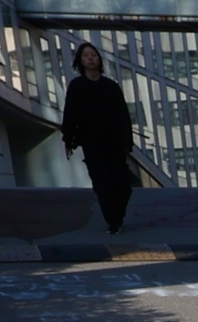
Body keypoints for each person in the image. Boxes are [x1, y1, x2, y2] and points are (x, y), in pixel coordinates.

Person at [58, 43, 139, 234]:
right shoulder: (77, 86)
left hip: (114, 141)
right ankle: (113, 221)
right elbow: (70, 113)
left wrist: (127, 141)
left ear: (99, 59)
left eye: (93, 55)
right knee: (102, 183)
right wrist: (68, 140)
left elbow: (122, 115)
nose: (91, 58)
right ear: (81, 61)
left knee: (123, 185)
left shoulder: (110, 86)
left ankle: (117, 215)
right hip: (91, 141)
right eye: (86, 55)